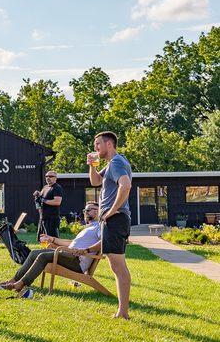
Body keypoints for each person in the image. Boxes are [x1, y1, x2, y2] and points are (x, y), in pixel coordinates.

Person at [0, 202, 102, 295]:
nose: (85, 212)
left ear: (98, 211)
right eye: (84, 210)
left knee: (43, 256)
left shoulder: (99, 227)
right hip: (70, 255)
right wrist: (52, 239)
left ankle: (20, 284)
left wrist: (87, 250)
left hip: (77, 261)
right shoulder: (88, 228)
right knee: (34, 253)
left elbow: (104, 242)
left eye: (88, 210)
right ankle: (13, 280)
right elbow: (71, 243)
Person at [87, 131, 132, 319]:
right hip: (113, 220)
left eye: (98, 144)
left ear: (109, 144)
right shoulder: (110, 165)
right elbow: (95, 181)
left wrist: (113, 210)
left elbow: (126, 185)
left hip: (116, 219)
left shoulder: (117, 162)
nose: (96, 148)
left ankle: (123, 312)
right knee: (116, 266)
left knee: (119, 267)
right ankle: (123, 311)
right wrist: (92, 165)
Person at [33, 170, 63, 238]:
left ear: (55, 178)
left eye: (50, 176)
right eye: (46, 176)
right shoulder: (45, 187)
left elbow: (57, 202)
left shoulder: (57, 188)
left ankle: (55, 249)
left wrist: (43, 200)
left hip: (52, 219)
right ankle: (46, 249)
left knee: (52, 239)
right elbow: (40, 200)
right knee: (42, 239)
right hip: (43, 218)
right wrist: (37, 195)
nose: (48, 178)